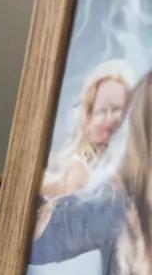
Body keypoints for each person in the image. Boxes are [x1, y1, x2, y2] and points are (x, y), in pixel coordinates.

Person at [29, 70, 152, 275]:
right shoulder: (109, 197)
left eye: (117, 112)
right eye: (102, 111)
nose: (110, 120)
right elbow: (39, 237)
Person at [41, 59, 134, 200]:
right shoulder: (78, 166)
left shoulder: (135, 163)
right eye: (101, 112)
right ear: (88, 118)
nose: (109, 119)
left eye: (117, 109)